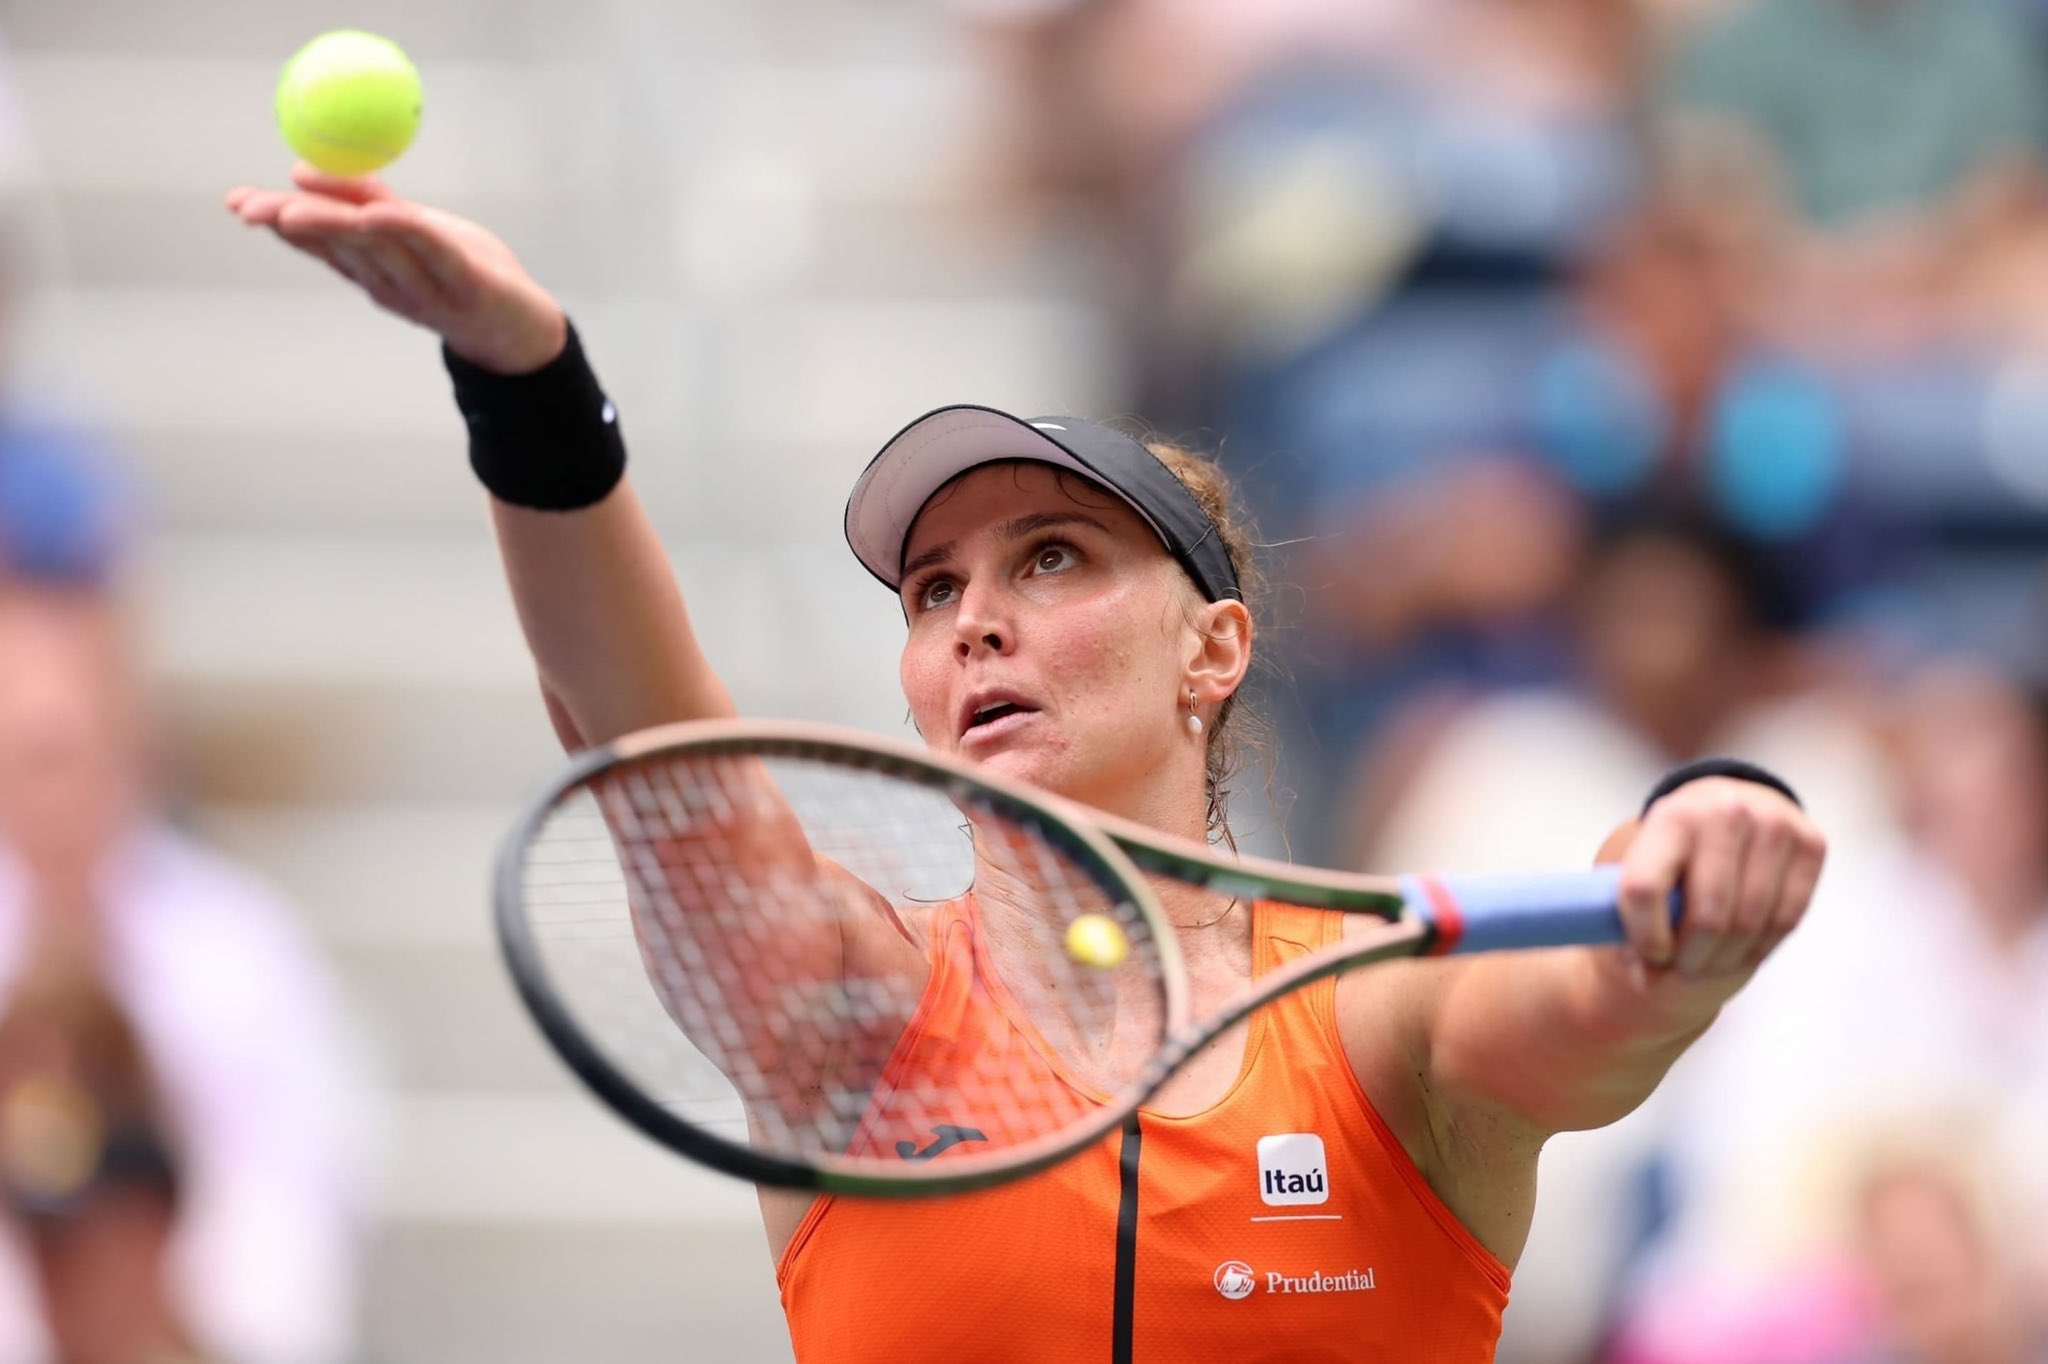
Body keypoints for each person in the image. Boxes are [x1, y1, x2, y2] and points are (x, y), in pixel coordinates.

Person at [226, 162, 1827, 1362]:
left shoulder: (1381, 1012)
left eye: (1053, 560)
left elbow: (1606, 1001)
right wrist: (527, 379)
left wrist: (1709, 831)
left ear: (1214, 648)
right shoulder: (846, 1022)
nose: (978, 620)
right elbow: (638, 740)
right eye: (936, 593)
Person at [0, 427, 367, 1364]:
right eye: (29, 751)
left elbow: (301, 1210)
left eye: (74, 740)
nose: (55, 781)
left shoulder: (244, 949)